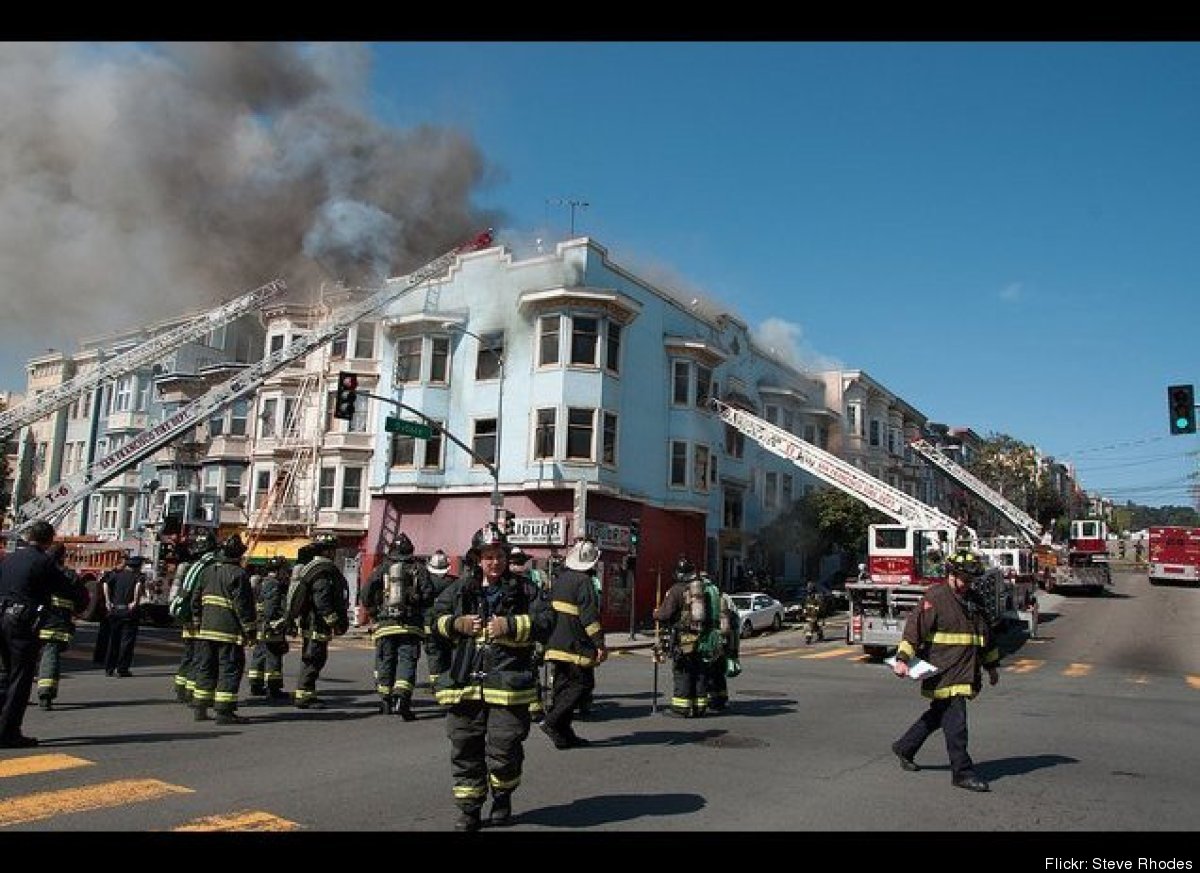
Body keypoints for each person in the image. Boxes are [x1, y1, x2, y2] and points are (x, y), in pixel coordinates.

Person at [430, 523, 553, 831]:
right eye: (487, 556)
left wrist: (510, 626)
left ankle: (502, 796)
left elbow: (547, 621)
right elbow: (433, 621)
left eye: (497, 555)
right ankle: (469, 809)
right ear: (477, 559)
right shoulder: (459, 590)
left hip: (508, 685)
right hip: (465, 685)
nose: (493, 562)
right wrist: (455, 624)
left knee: (505, 749)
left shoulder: (526, 590)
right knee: (464, 746)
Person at [890, 549, 1001, 793]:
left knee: (938, 715)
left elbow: (986, 637)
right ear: (950, 574)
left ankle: (905, 747)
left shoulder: (975, 601)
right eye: (963, 579)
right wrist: (902, 659)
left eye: (971, 580)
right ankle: (962, 772)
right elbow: (914, 631)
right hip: (944, 671)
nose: (967, 584)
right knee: (956, 723)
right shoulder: (935, 597)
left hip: (966, 670)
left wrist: (992, 667)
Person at [0, 520, 77, 747]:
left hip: (1, 617)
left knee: (4, 675)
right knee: (20, 678)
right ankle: (8, 732)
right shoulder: (42, 561)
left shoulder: (10, 558)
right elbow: (66, 588)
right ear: (49, 539)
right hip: (20, 623)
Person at [539, 538, 607, 749]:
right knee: (582, 686)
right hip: (574, 646)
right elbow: (589, 619)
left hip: (555, 645)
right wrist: (600, 644)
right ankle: (551, 722)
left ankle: (564, 734)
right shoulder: (584, 582)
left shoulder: (560, 579)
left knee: (562, 688)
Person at [361, 533, 434, 720]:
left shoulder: (382, 567)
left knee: (386, 660)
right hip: (410, 626)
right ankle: (402, 699)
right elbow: (428, 595)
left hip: (385, 624)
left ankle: (385, 700)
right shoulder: (419, 568)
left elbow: (366, 592)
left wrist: (374, 612)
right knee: (406, 661)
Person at [190, 534, 256, 725]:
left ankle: (200, 707)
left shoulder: (208, 571)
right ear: (239, 555)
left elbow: (196, 597)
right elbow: (243, 606)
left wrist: (197, 619)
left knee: (206, 667)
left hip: (206, 629)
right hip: (229, 632)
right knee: (229, 669)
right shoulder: (239, 574)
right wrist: (250, 630)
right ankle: (224, 711)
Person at [652, 555, 720, 718]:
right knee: (700, 672)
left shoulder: (676, 590)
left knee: (682, 672)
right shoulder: (703, 590)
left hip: (683, 640)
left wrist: (656, 614)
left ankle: (681, 708)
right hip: (702, 639)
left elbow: (665, 614)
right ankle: (699, 707)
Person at [292, 532, 351, 710]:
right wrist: (333, 621)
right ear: (327, 552)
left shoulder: (313, 568)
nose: (334, 554)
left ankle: (306, 692)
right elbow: (322, 600)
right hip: (316, 623)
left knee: (313, 657)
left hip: (311, 621)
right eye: (332, 550)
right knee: (314, 658)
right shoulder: (322, 571)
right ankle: (304, 695)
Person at [35, 544, 89, 710]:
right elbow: (82, 599)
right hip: (56, 623)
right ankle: (46, 693)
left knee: (26, 658)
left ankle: (15, 693)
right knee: (50, 657)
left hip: (32, 621)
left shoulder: (39, 572)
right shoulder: (69, 575)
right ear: (62, 557)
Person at [171, 533, 218, 704]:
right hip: (199, 618)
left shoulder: (193, 566)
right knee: (200, 656)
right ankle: (191, 691)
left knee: (188, 655)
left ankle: (181, 689)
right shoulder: (209, 566)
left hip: (187, 617)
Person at [247, 556, 292, 702]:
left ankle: (255, 685)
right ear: (278, 570)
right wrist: (275, 622)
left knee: (259, 655)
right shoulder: (274, 584)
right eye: (285, 570)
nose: (286, 574)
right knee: (273, 657)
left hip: (260, 625)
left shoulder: (262, 583)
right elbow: (270, 608)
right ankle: (273, 688)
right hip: (271, 626)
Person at [102, 554, 146, 677]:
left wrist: (107, 601)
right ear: (137, 566)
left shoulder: (117, 575)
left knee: (113, 640)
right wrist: (135, 602)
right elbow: (138, 587)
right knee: (127, 641)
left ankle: (109, 668)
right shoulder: (138, 576)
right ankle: (122, 669)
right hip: (129, 612)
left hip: (115, 611)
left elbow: (105, 583)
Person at [422, 549, 455, 697]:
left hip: (430, 624)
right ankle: (447, 681)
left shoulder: (425, 581)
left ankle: (436, 684)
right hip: (449, 625)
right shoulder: (455, 582)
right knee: (448, 653)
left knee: (434, 655)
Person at [706, 579, 741, 712]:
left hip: (715, 640)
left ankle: (713, 700)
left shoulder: (714, 600)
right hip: (726, 640)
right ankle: (722, 699)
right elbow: (735, 622)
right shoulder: (727, 599)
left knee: (711, 671)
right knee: (719, 672)